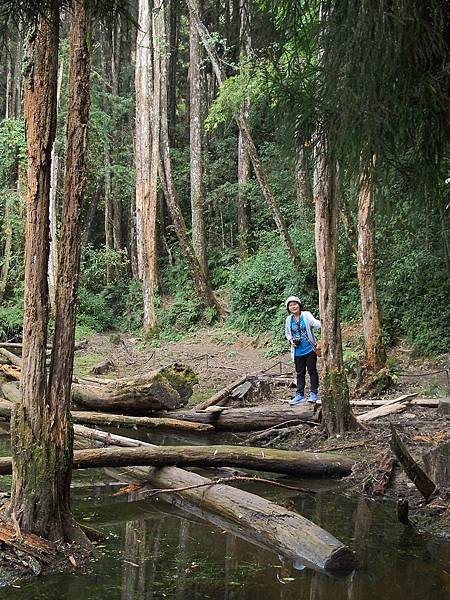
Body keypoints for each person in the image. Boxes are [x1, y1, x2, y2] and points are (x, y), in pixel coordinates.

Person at [284, 295, 321, 405]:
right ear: (288, 308)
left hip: (309, 348)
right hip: (297, 351)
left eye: (295, 304)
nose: (293, 307)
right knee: (300, 373)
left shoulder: (306, 315)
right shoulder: (288, 319)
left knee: (312, 371)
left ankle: (313, 393)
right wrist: (291, 341)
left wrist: (324, 321)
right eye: (290, 305)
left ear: (299, 305)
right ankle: (299, 394)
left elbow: (315, 324)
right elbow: (287, 333)